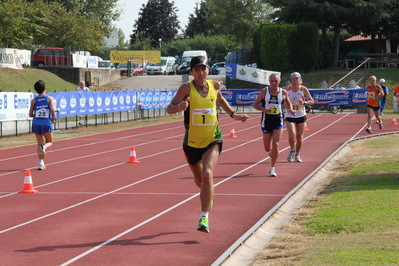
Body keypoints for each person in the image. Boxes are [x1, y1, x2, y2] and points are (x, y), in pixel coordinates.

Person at [166, 56, 249, 233]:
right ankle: (207, 196)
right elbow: (169, 108)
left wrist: (234, 114)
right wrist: (179, 106)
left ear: (208, 70)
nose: (201, 72)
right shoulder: (186, 88)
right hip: (192, 143)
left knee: (207, 174)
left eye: (203, 69)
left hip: (213, 139)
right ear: (191, 72)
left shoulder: (215, 86)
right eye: (197, 69)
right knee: (199, 180)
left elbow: (220, 100)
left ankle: (204, 216)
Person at [253, 73, 295, 177]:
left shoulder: (283, 92)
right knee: (267, 148)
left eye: (276, 81)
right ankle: (271, 151)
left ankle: (272, 168)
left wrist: (291, 109)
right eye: (272, 81)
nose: (274, 83)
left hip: (278, 121)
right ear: (269, 81)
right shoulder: (264, 91)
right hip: (266, 121)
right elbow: (255, 104)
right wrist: (263, 109)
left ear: (279, 81)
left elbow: (288, 102)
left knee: (276, 144)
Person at [285, 72, 314, 163]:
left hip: (300, 115)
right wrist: (286, 105)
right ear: (291, 80)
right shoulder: (287, 89)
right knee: (291, 135)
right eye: (293, 78)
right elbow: (281, 101)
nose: (294, 80)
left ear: (300, 79)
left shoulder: (303, 89)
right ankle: (292, 150)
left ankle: (297, 154)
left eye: (296, 78)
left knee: (299, 137)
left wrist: (304, 103)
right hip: (290, 115)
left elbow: (311, 101)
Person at [28, 80, 56, 170]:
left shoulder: (34, 100)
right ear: (45, 88)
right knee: (49, 142)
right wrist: (53, 118)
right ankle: (44, 147)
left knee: (39, 143)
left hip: (36, 123)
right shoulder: (49, 99)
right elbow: (52, 110)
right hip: (46, 123)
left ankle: (41, 163)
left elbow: (30, 114)